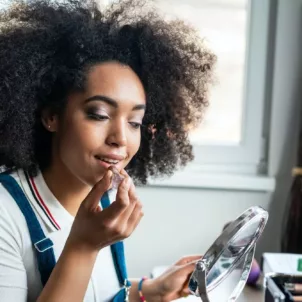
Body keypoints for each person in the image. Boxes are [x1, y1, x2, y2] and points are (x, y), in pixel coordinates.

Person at [0, 0, 215, 301]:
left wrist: (150, 290)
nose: (120, 139)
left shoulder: (105, 197)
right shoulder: (5, 216)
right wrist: (84, 245)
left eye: (135, 122)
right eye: (99, 115)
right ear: (52, 116)